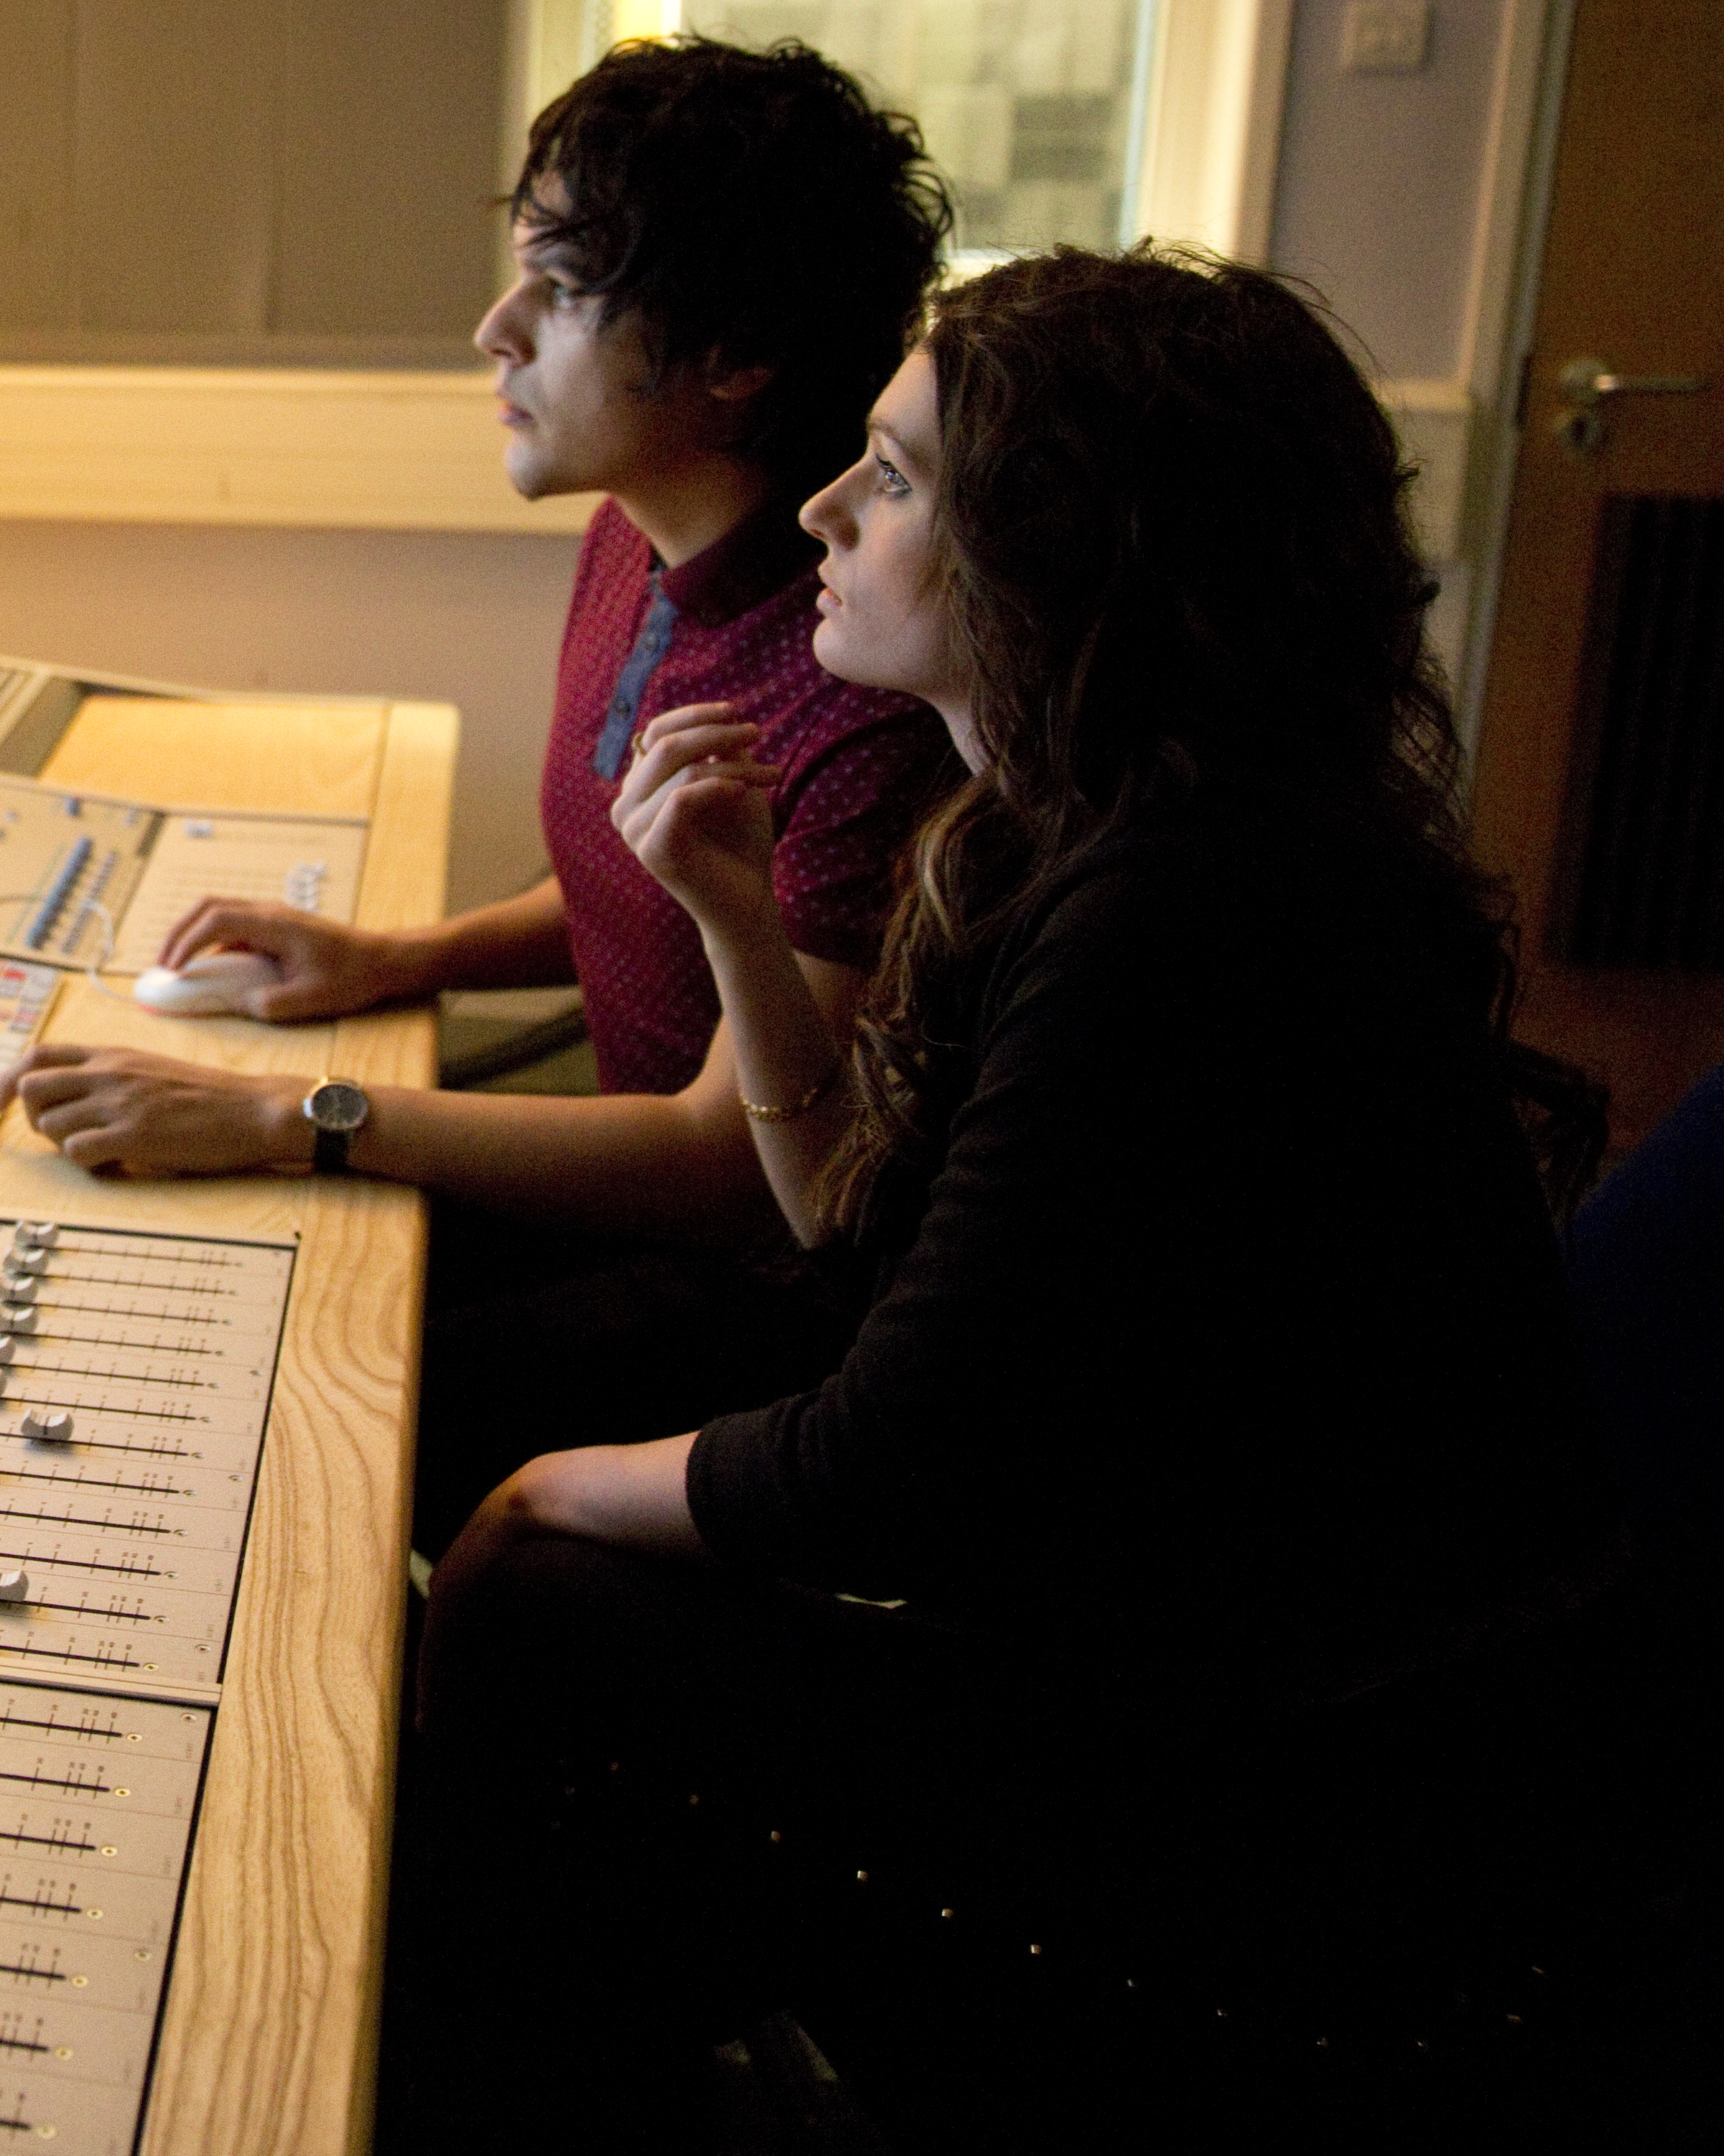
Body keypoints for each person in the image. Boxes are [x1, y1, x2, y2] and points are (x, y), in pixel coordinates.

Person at [381, 247, 1634, 2148]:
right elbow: (854, 1249)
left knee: (551, 1604)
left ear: (1061, 554)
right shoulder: (1099, 825)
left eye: (888, 480)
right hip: (1195, 1642)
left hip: (1275, 1783)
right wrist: (730, 906)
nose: (822, 505)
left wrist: (541, 1492)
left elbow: (883, 1458)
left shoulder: (1176, 907)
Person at [4, 37, 963, 1542]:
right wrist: (400, 960)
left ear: (733, 358)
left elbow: (731, 1164)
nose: (494, 330)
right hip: (616, 1187)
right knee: (182, 1269)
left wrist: (278, 1114)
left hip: (745, 1293)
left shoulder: (859, 691)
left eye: (562, 290)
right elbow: (636, 893)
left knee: (277, 1404)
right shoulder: (634, 538)